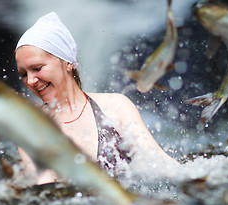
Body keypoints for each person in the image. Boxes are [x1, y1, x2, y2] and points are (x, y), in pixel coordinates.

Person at [15, 12, 179, 184]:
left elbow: (157, 162)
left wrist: (200, 181)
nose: (31, 81)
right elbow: (45, 189)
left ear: (66, 62)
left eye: (37, 68)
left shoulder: (115, 107)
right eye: (23, 74)